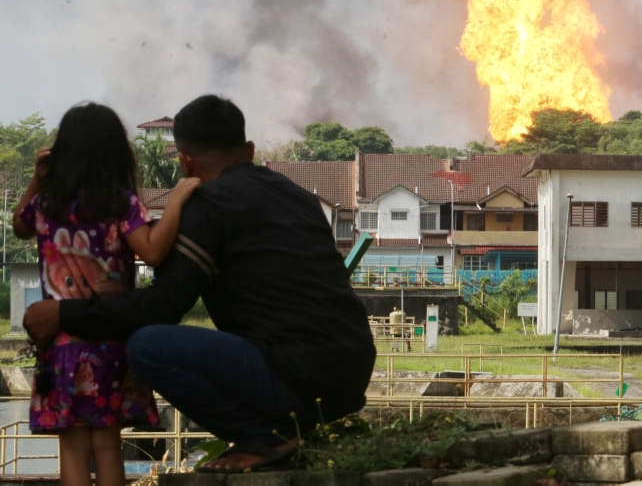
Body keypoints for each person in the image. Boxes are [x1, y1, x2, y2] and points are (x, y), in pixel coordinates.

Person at [23, 95, 377, 474]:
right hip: (350, 374)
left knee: (149, 347)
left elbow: (163, 307)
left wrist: (62, 312)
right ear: (249, 150)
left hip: (294, 374)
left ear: (184, 161)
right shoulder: (300, 198)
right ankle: (283, 430)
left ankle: (268, 435)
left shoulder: (207, 204)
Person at [11, 103, 201, 486]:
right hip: (110, 343)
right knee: (108, 447)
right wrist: (177, 200)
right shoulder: (121, 203)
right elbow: (151, 250)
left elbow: (19, 227)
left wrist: (37, 180)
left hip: (60, 346)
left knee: (73, 449)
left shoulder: (47, 205)